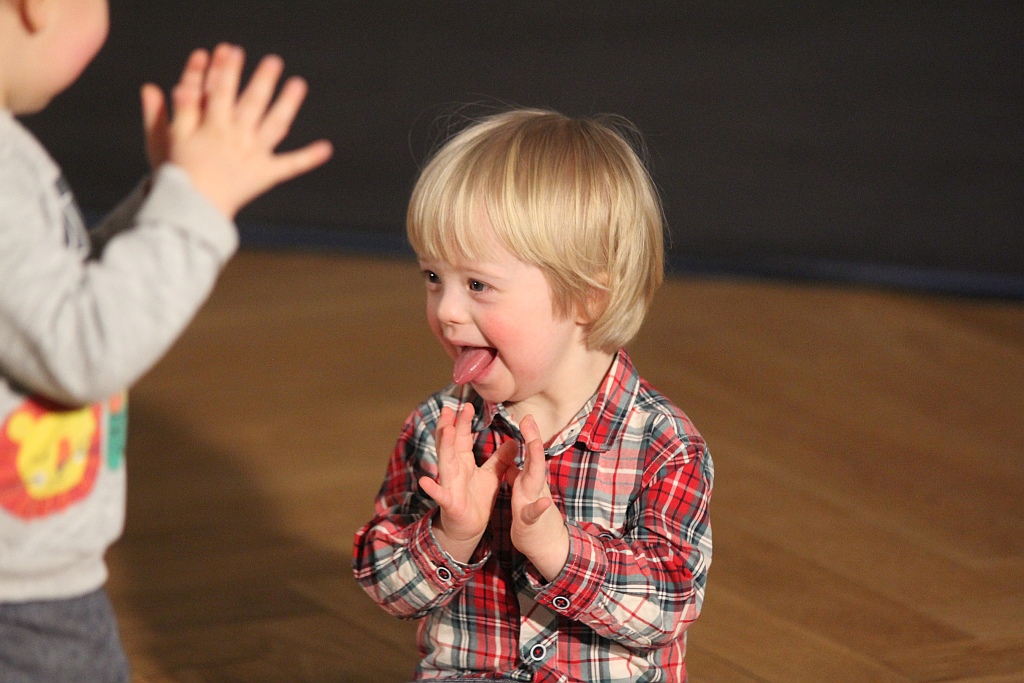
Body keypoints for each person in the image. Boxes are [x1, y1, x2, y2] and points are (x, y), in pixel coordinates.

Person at [0, 0, 333, 678]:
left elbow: (38, 309)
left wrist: (170, 198)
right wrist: (198, 208)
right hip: (22, 593)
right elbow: (81, 346)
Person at [353, 109, 713, 682]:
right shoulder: (440, 426)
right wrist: (451, 535)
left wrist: (560, 550)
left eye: (477, 284)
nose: (446, 310)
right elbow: (386, 587)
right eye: (431, 277)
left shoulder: (662, 444)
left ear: (587, 298)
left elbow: (667, 607)